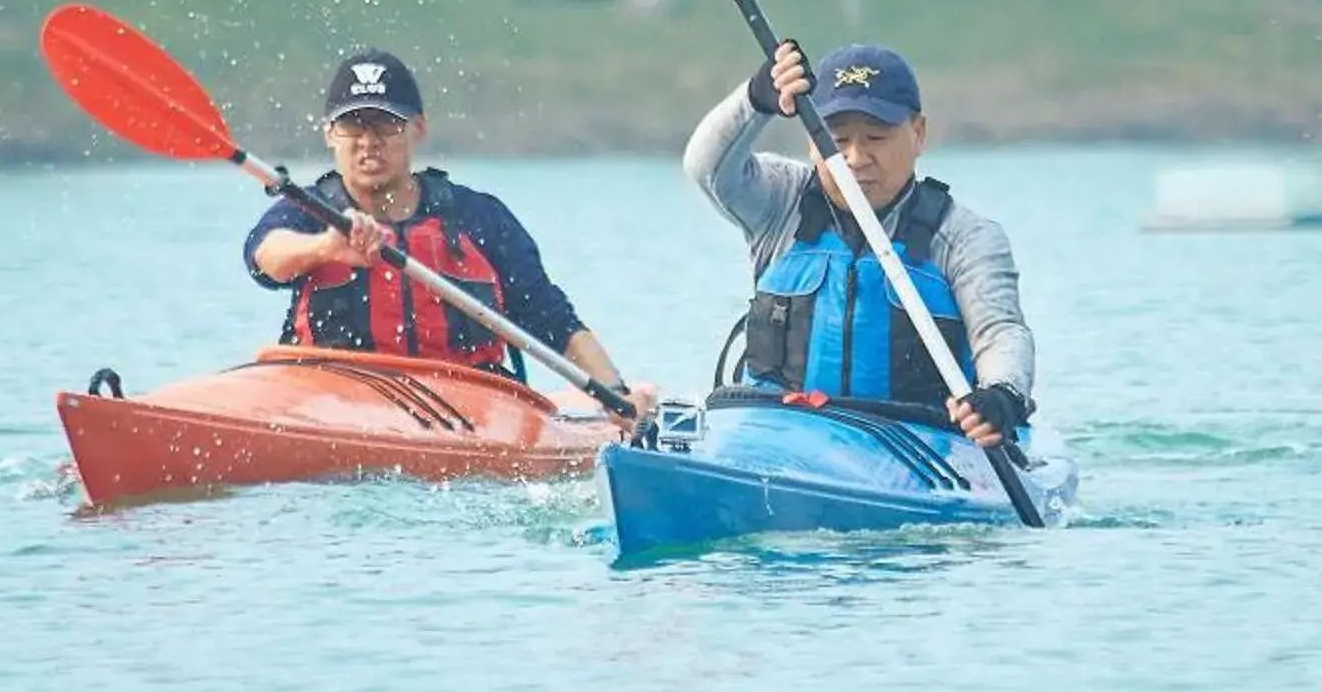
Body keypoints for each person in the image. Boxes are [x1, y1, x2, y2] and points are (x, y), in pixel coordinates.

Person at [247, 50, 654, 425]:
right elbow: (264, 257)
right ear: (329, 134)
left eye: (387, 124)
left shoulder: (478, 218)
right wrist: (325, 247)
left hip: (468, 403)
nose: (368, 141)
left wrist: (616, 394)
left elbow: (554, 321)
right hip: (334, 396)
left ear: (418, 129)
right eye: (353, 124)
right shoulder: (310, 210)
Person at [683, 38, 1037, 448]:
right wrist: (756, 97)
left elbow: (1002, 331)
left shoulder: (965, 236)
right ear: (811, 141)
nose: (855, 157)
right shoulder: (779, 202)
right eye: (836, 137)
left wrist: (1000, 395)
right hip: (774, 434)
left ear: (918, 133)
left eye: (875, 137)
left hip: (919, 445)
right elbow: (706, 167)